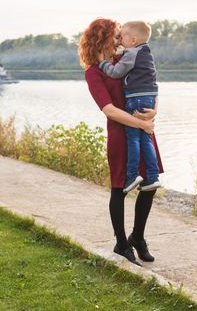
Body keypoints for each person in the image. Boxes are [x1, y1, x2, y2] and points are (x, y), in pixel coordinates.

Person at [79, 18, 164, 266]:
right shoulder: (94, 72)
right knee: (119, 189)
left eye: (120, 35)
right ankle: (121, 244)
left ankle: (137, 237)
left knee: (150, 184)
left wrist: (154, 111)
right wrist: (143, 124)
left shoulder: (128, 57)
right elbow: (109, 110)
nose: (119, 39)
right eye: (115, 35)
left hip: (144, 126)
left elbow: (152, 84)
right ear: (102, 39)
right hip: (121, 133)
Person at [98, 21, 160, 194]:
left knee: (133, 138)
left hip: (135, 100)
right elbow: (153, 83)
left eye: (122, 36)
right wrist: (153, 107)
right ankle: (152, 176)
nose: (120, 41)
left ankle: (132, 175)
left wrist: (102, 63)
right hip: (148, 98)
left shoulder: (130, 54)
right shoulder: (146, 53)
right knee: (146, 140)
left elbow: (116, 72)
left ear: (132, 40)